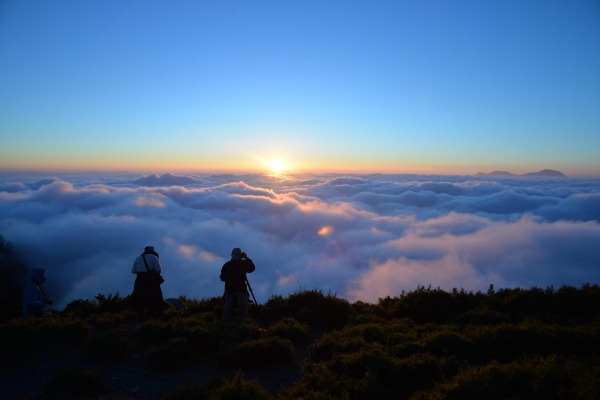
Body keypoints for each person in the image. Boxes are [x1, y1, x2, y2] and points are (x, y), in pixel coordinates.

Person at [220, 248, 255, 322]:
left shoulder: (226, 265)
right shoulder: (243, 263)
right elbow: (252, 268)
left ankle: (226, 322)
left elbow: (222, 278)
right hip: (241, 289)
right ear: (240, 255)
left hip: (229, 289)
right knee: (243, 307)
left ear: (231, 255)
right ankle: (244, 322)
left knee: (228, 307)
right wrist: (246, 258)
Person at [131, 245, 163, 321]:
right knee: (153, 299)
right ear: (152, 251)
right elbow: (158, 270)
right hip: (151, 281)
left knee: (141, 301)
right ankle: (155, 318)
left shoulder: (138, 258)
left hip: (139, 281)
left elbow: (133, 271)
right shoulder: (154, 258)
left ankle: (141, 320)